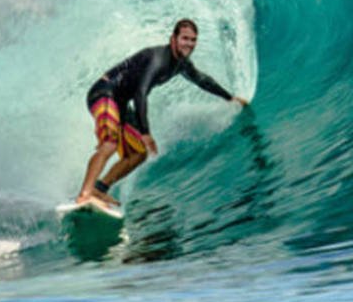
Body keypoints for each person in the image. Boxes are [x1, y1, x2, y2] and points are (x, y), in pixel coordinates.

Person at [76, 18, 248, 207]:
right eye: (185, 38)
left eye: (193, 40)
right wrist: (146, 132)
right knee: (109, 143)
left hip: (120, 103)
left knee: (139, 154)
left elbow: (202, 80)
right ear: (173, 39)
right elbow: (140, 93)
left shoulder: (181, 64)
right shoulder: (158, 59)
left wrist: (230, 98)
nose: (189, 44)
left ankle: (100, 189)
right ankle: (85, 194)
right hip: (104, 93)